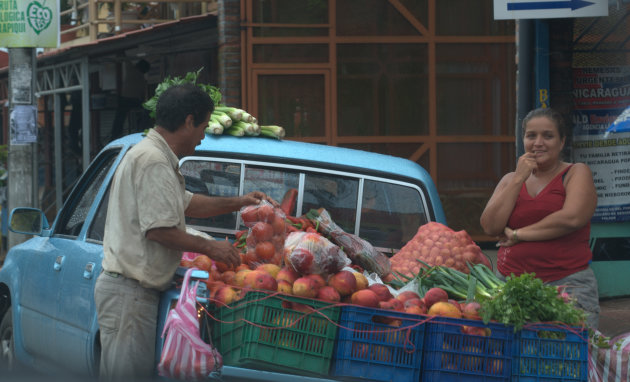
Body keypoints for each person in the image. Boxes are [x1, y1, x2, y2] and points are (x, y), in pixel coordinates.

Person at [94, 83, 275, 380]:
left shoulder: (155, 156)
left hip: (132, 293)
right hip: (130, 292)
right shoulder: (153, 160)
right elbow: (159, 231)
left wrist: (240, 201)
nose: (203, 136)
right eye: (203, 126)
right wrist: (211, 248)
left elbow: (186, 204)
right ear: (189, 121)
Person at [480, 107, 600, 328]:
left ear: (561, 142)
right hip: (510, 285)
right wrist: (518, 179)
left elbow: (571, 218)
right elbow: (490, 225)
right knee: (515, 358)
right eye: (531, 136)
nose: (538, 142)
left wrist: (518, 234)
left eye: (548, 135)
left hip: (567, 286)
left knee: (566, 357)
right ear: (523, 140)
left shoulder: (575, 173)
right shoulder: (511, 179)